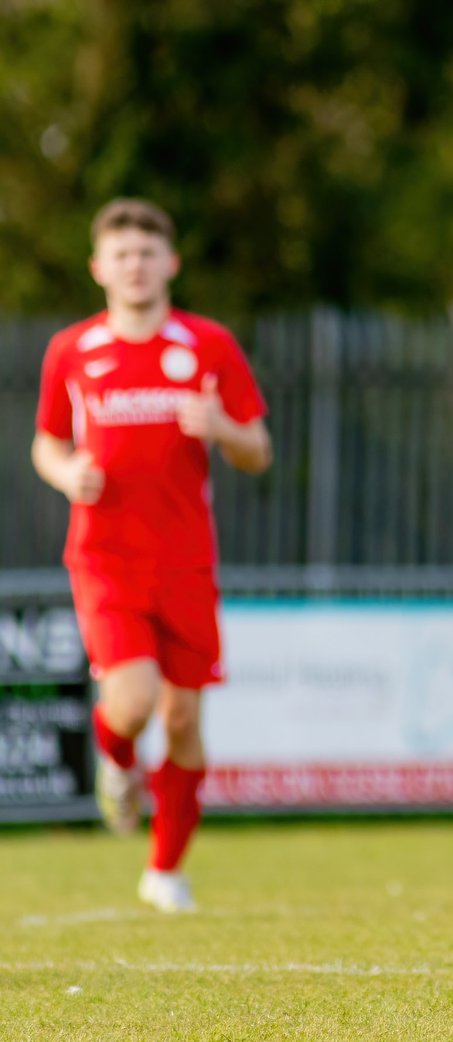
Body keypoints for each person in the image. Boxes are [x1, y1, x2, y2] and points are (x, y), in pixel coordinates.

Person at [32, 198, 272, 913]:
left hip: (186, 560)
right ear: (99, 268)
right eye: (121, 254)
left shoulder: (208, 345)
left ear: (171, 263)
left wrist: (222, 426)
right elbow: (45, 441)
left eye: (147, 253)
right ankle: (116, 763)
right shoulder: (72, 350)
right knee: (133, 702)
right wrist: (66, 472)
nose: (135, 266)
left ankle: (164, 870)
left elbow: (259, 451)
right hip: (104, 557)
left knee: (184, 721)